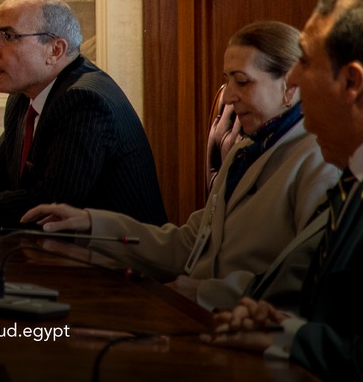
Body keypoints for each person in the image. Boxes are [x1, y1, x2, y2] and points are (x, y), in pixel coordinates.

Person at [23, 20, 338, 307]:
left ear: (290, 86)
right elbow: (190, 245)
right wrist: (91, 224)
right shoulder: (246, 150)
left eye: (242, 82)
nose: (228, 96)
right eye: (228, 81)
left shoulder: (320, 164)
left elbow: (306, 281)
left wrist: (204, 293)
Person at [211, 0, 363, 377]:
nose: (292, 76)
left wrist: (294, 340)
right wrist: (284, 326)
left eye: (306, 61)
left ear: (351, 81)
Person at [0, 0, 166, 226]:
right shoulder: (25, 95)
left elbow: (49, 206)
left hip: (117, 261)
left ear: (55, 50)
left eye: (7, 36)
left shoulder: (85, 101)